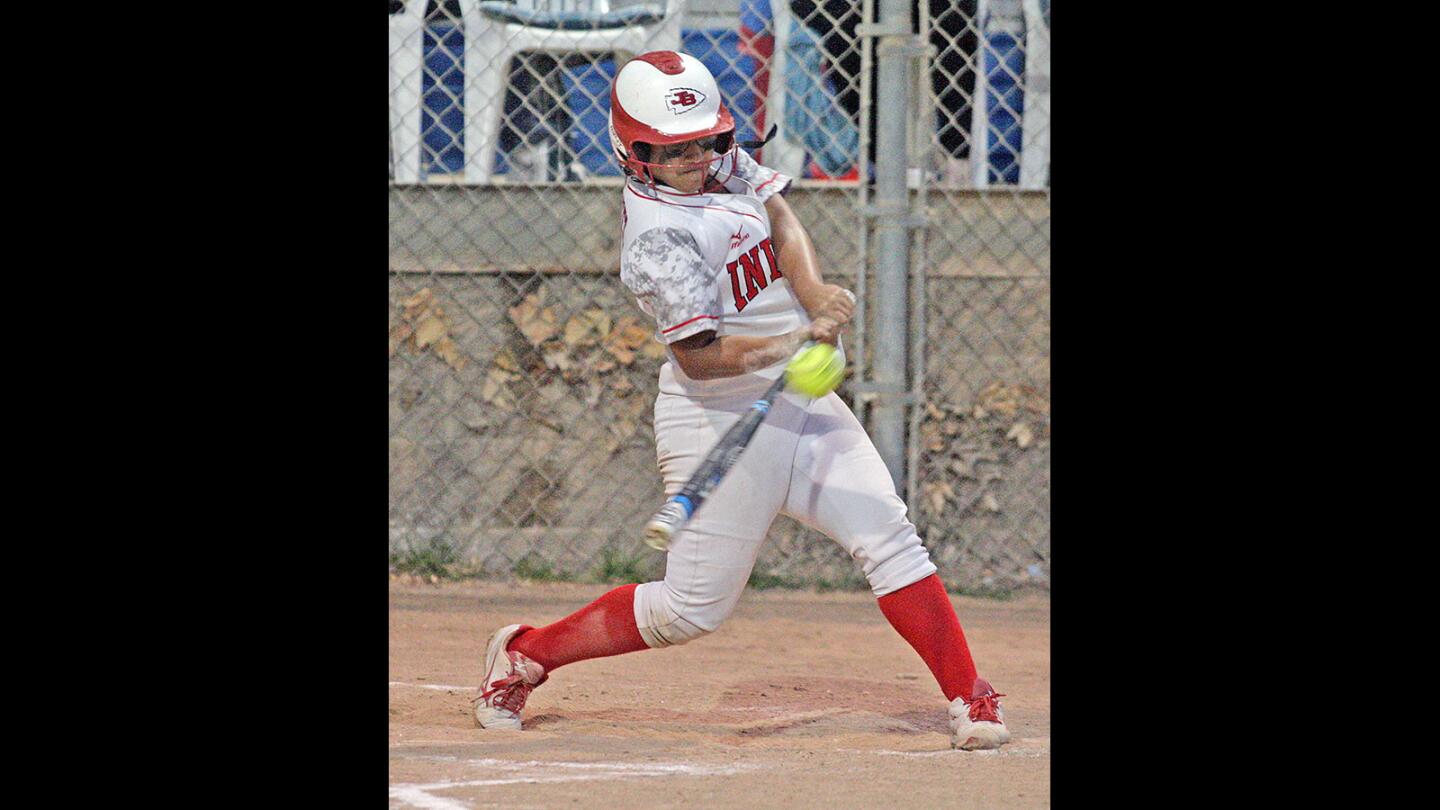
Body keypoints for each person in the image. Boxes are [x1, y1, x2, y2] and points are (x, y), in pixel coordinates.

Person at [472, 50, 1010, 751]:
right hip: (716, 416)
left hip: (799, 406)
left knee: (886, 532)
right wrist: (784, 345)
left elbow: (780, 220)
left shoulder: (719, 158)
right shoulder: (657, 238)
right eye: (676, 149)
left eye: (709, 140)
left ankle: (971, 696)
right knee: (688, 611)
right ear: (632, 154)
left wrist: (813, 296)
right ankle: (529, 651)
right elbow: (697, 362)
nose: (699, 158)